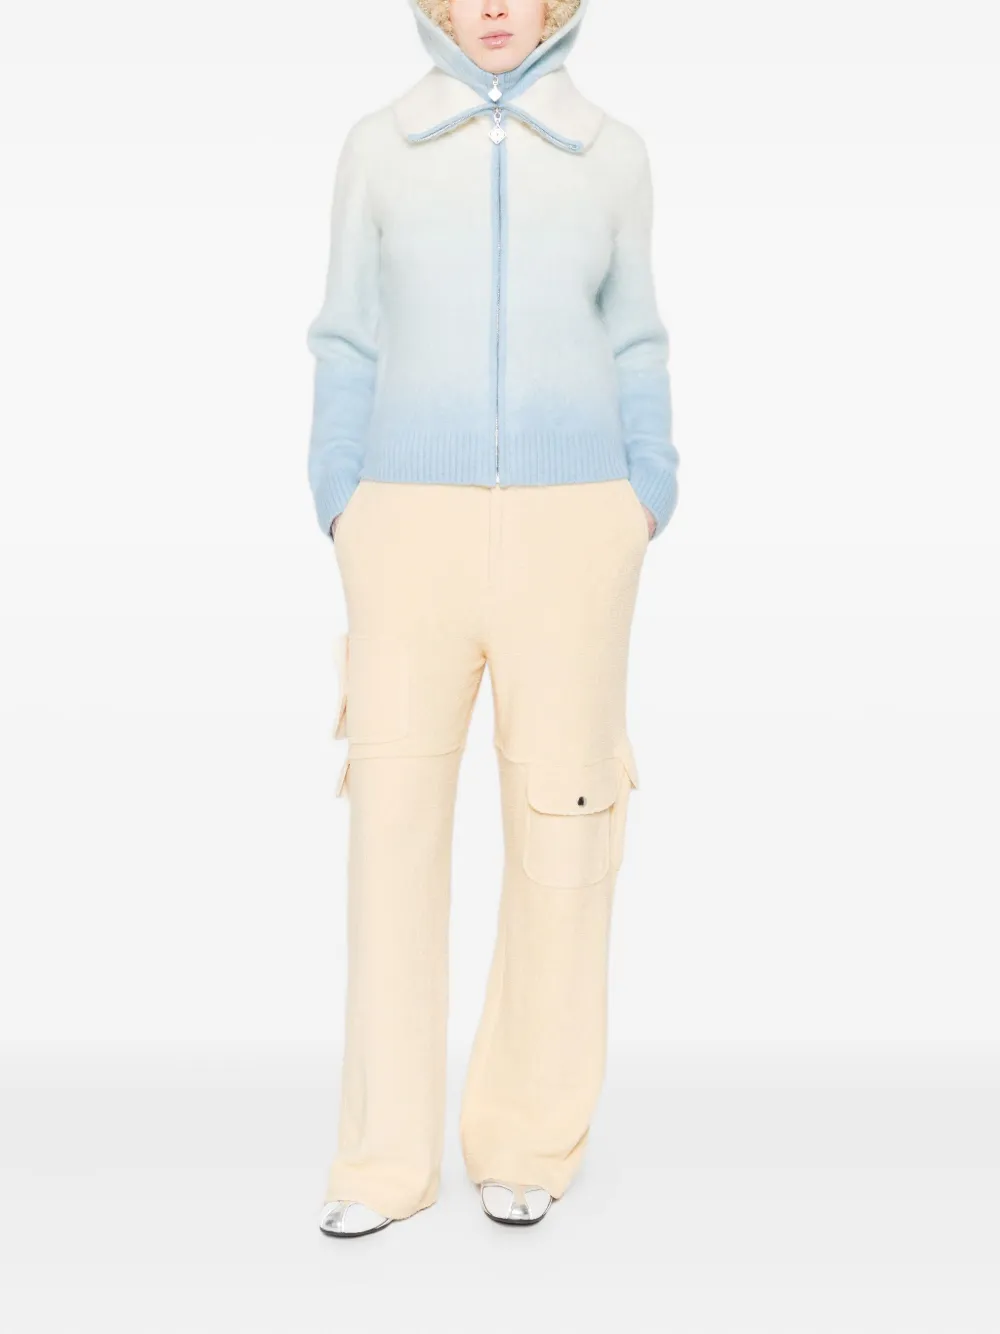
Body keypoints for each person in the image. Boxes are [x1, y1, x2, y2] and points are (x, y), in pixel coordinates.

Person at [307, 0, 679, 1237]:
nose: (493, 9)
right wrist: (341, 497)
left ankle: (527, 1135)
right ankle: (382, 1160)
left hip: (578, 528)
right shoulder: (379, 147)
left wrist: (644, 490)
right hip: (403, 525)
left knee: (565, 826)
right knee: (392, 829)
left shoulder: (610, 154)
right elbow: (346, 335)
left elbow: (636, 338)